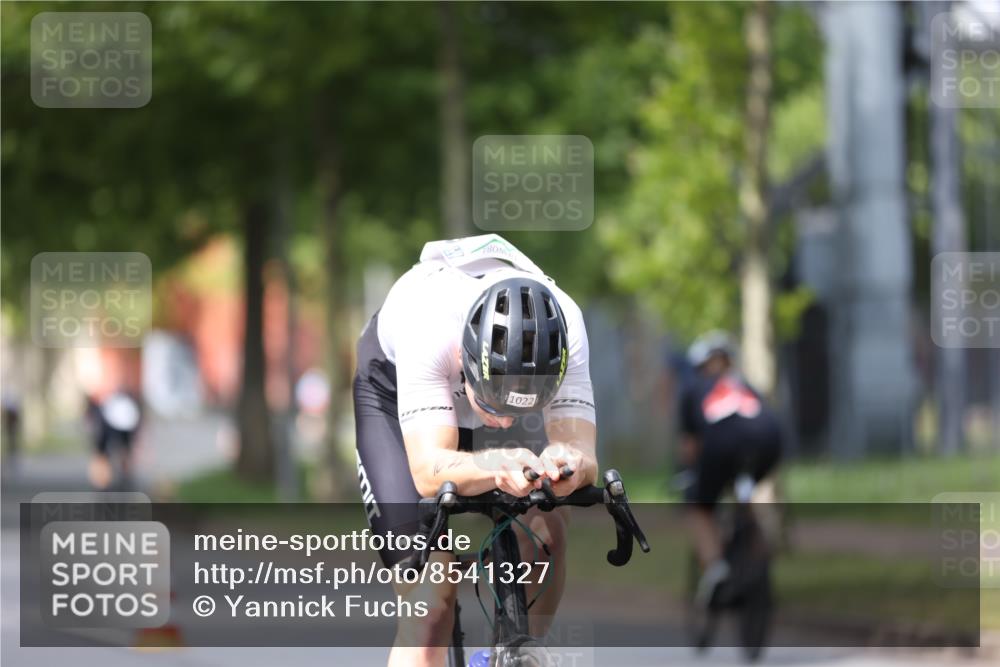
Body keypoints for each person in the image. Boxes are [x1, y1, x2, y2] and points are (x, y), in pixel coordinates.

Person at [353, 234, 597, 667]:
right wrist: (494, 462)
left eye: (516, 409)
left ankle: (522, 653)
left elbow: (581, 454)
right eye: (493, 405)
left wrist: (569, 466)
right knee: (430, 601)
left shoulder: (567, 327)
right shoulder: (426, 321)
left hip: (487, 380)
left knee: (549, 528)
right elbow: (430, 470)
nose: (502, 422)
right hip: (396, 398)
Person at [679, 331, 782, 609]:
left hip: (721, 443)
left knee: (699, 506)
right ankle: (760, 562)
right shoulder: (746, 385)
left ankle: (716, 570)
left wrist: (691, 476)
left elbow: (691, 448)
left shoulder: (693, 389)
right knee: (744, 496)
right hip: (769, 441)